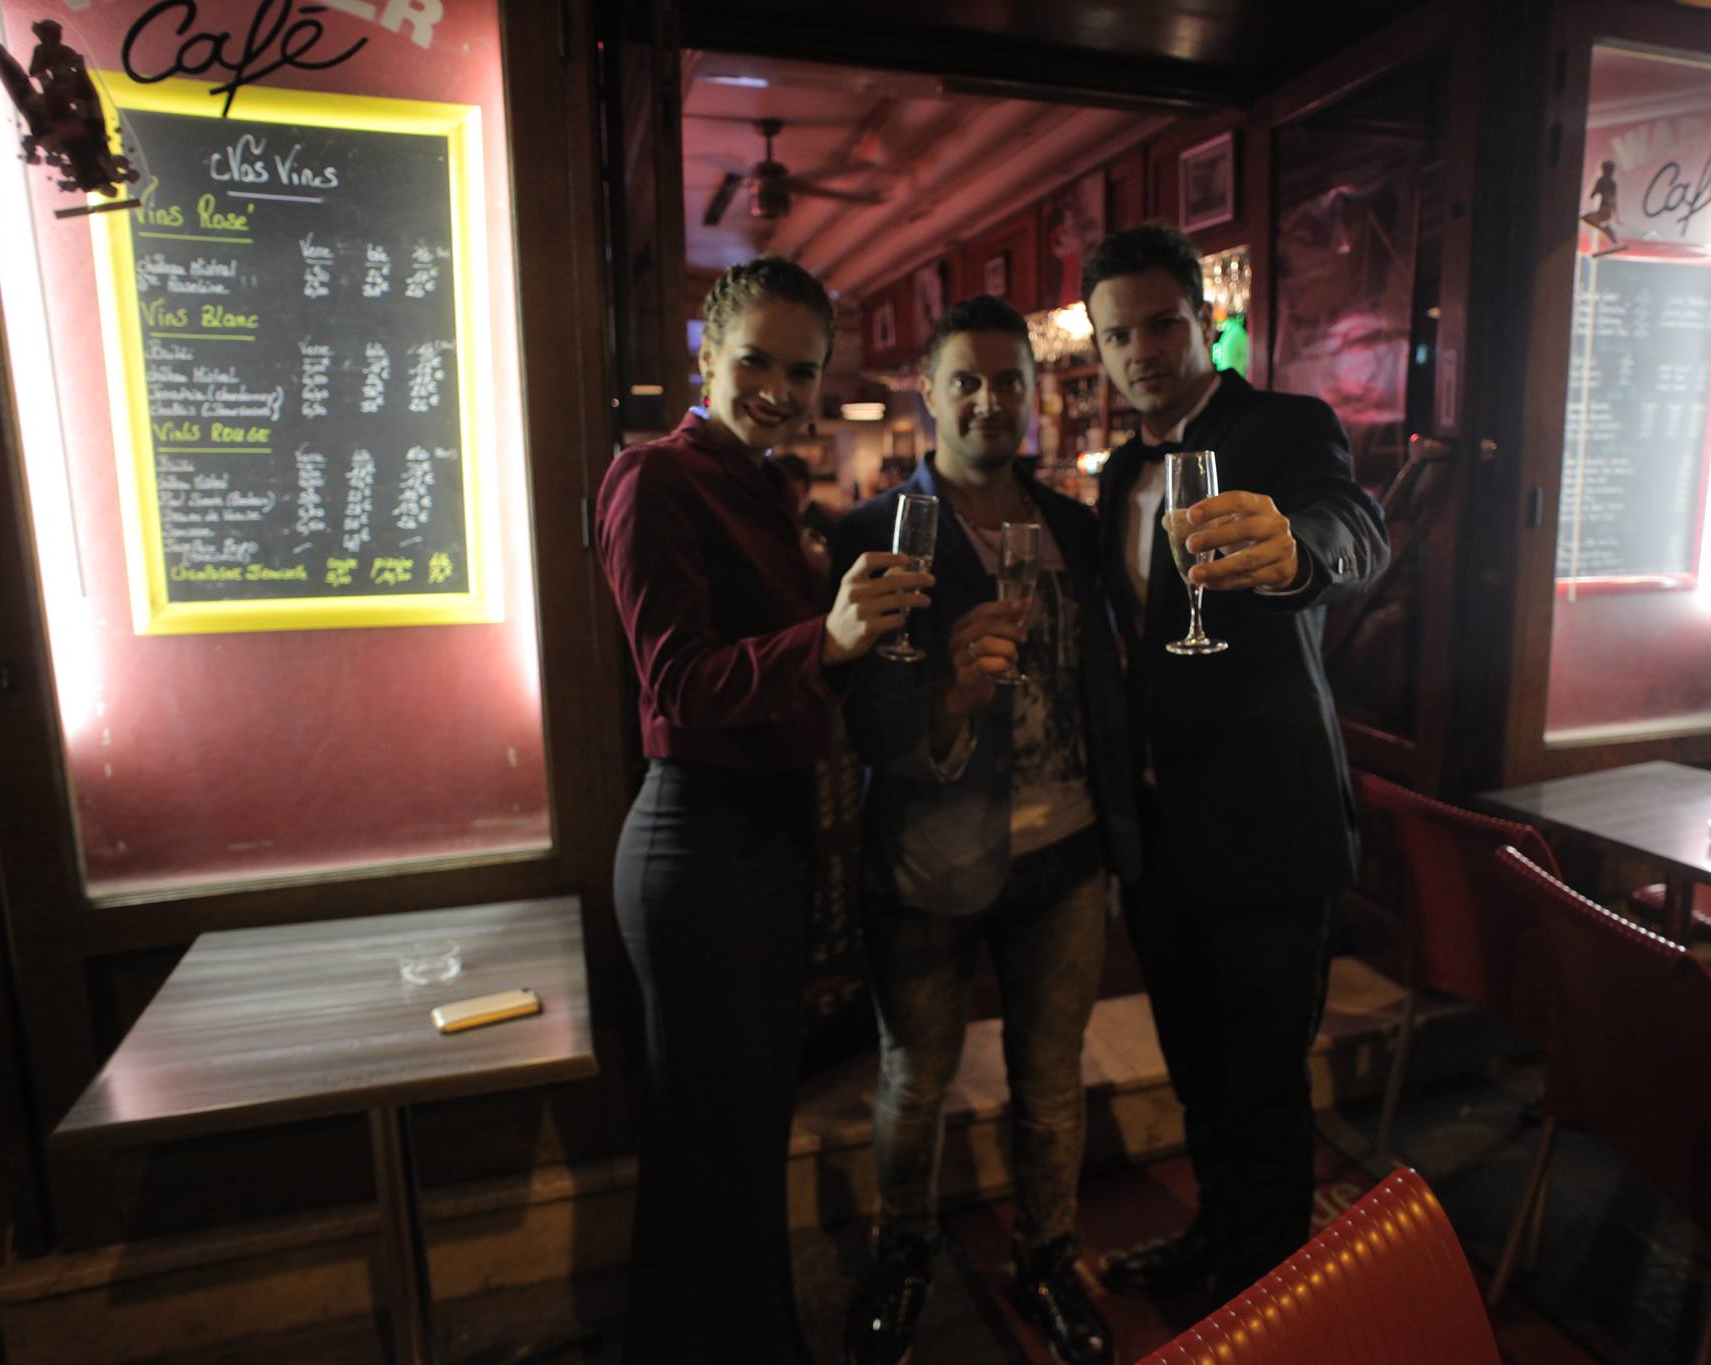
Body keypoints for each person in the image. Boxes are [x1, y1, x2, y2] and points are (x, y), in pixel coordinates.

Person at [594, 255, 934, 1363]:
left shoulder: (769, 492)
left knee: (736, 1159)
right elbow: (677, 683)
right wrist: (829, 639)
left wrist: (892, 653)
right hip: (699, 842)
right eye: (756, 362)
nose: (779, 389)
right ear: (706, 353)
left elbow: (795, 679)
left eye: (802, 370)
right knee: (711, 1163)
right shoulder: (652, 478)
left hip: (767, 838)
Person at [831, 295, 1140, 1365]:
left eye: (1009, 380)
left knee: (1049, 1085)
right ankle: (902, 1251)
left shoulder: (1071, 527)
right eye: (965, 378)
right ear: (928, 391)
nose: (988, 399)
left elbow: (1101, 676)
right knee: (914, 1082)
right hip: (928, 856)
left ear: (1034, 394)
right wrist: (951, 701)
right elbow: (863, 716)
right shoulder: (877, 530)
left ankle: (1046, 1258)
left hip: (1063, 850)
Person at [1084, 223, 1389, 1299]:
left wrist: (1299, 550)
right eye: (1116, 334)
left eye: (1161, 323)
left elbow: (1351, 523)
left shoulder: (1286, 427)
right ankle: (1215, 1242)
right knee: (1197, 1076)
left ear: (1203, 322)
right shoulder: (1118, 469)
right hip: (1161, 836)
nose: (1141, 351)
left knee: (1264, 1085)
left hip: (1265, 825)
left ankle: (1266, 1299)